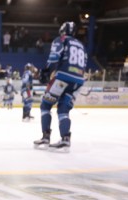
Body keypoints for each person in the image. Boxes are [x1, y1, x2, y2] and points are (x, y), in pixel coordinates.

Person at [34, 21, 86, 150]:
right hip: (78, 81)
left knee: (45, 105)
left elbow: (54, 57)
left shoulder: (61, 39)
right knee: (63, 109)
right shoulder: (81, 45)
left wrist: (45, 71)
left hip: (62, 78)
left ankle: (46, 137)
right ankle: (65, 139)